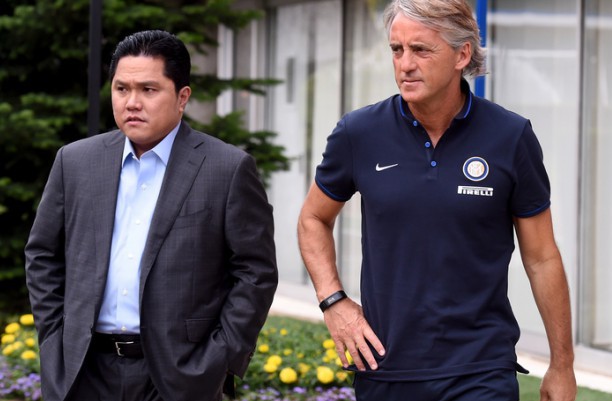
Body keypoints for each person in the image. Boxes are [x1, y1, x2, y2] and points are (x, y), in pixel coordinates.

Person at [297, 1, 576, 400]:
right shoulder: (358, 133)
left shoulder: (511, 137)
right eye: (397, 50)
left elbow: (542, 257)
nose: (405, 64)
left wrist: (562, 364)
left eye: (421, 50)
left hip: (481, 369)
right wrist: (333, 301)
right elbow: (313, 219)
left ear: (462, 55)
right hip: (385, 367)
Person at [25, 30, 278, 401]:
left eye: (148, 89)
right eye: (121, 89)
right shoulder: (75, 161)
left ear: (182, 97)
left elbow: (255, 272)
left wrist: (219, 357)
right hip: (83, 373)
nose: (132, 102)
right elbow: (42, 254)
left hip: (179, 377)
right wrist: (53, 339)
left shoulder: (226, 168)